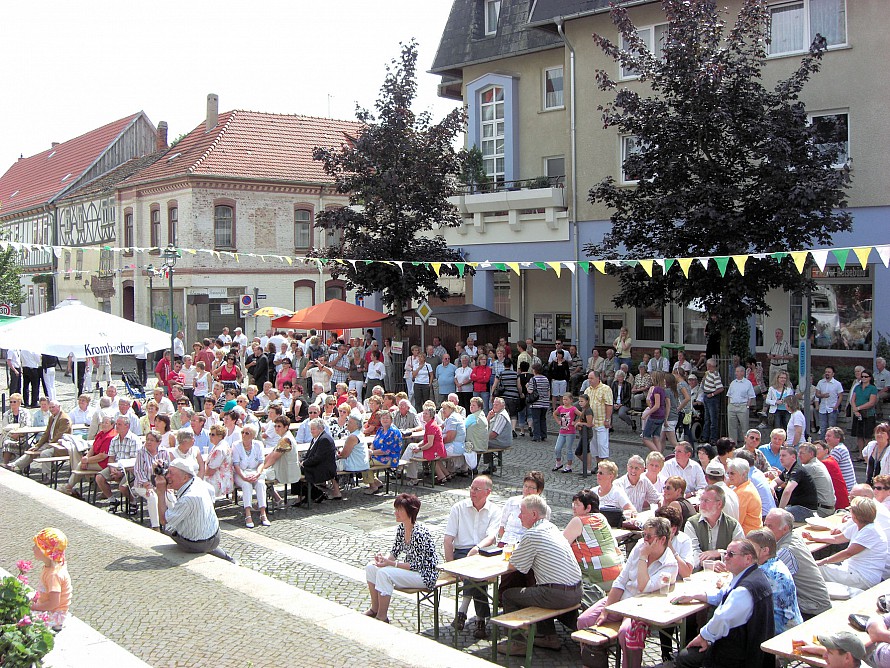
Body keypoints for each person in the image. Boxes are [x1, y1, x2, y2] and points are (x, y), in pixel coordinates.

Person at [577, 517, 678, 668]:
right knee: (584, 620)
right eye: (643, 534)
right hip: (623, 600)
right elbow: (621, 580)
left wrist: (643, 557)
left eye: (649, 536)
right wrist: (607, 609)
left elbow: (644, 586)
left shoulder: (669, 565)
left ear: (662, 539)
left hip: (641, 607)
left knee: (626, 632)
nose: (644, 539)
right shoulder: (639, 546)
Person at [498, 495, 583, 655]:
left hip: (558, 595)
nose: (518, 516)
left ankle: (518, 643)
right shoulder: (552, 528)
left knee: (509, 595)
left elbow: (513, 566)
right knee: (537, 588)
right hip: (577, 592)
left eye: (522, 512)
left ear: (534, 515)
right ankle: (548, 636)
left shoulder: (532, 534)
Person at [673, 539, 774, 668]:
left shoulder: (744, 589)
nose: (725, 557)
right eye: (725, 553)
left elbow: (722, 619)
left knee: (685, 657)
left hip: (741, 655)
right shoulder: (752, 575)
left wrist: (703, 636)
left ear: (748, 558)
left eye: (731, 554)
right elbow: (722, 595)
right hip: (751, 646)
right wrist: (694, 596)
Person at [365, 493, 439, 623]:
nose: (396, 513)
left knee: (384, 574)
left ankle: (382, 616)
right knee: (371, 567)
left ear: (410, 512)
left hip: (425, 575)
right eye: (396, 510)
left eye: (399, 510)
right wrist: (383, 560)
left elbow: (416, 565)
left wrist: (391, 564)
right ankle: (375, 608)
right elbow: (395, 552)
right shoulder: (401, 528)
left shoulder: (419, 533)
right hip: (411, 570)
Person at [444, 476, 501, 639]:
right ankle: (480, 620)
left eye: (477, 489)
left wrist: (477, 548)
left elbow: (491, 537)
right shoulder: (459, 508)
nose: (472, 492)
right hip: (462, 552)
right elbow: (448, 539)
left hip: (484, 552)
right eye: (471, 488)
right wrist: (451, 566)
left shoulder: (494, 510)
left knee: (477, 572)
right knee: (476, 576)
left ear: (488, 492)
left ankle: (463, 611)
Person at [154, 457, 235, 562]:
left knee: (168, 528)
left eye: (171, 473)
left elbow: (164, 520)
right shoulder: (197, 481)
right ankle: (227, 557)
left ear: (185, 477)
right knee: (199, 529)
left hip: (198, 544)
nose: (167, 476)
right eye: (167, 472)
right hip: (215, 536)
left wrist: (160, 492)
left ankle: (208, 550)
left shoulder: (188, 498)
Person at [763, 508, 831, 619]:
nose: (765, 530)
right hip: (813, 601)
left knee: (763, 604)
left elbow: (765, 578)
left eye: (770, 526)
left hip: (813, 607)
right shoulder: (793, 537)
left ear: (785, 529)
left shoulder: (787, 550)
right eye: (764, 525)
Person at [564, 488, 624, 605]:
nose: (573, 507)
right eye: (573, 503)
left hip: (596, 581)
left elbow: (560, 546)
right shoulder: (602, 518)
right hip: (618, 576)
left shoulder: (578, 521)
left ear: (588, 508)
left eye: (577, 504)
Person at [814, 496, 887, 590]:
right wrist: (814, 537)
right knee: (819, 567)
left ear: (855, 516)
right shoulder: (859, 526)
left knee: (815, 569)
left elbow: (848, 553)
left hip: (863, 578)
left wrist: (822, 561)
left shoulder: (870, 531)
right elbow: (836, 539)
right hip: (854, 572)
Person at [746, 528, 802, 635]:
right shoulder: (778, 563)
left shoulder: (763, 573)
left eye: (750, 548)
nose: (746, 552)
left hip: (779, 632)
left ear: (765, 550)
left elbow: (738, 597)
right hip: (794, 625)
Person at [684, 485, 744, 569]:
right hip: (699, 574)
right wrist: (711, 565)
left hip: (726, 572)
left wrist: (719, 553)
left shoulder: (733, 525)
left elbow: (740, 553)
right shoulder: (691, 523)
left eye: (706, 501)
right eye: (701, 500)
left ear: (719, 504)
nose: (702, 504)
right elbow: (693, 553)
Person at [9, 399, 71, 476]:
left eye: (53, 407)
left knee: (45, 453)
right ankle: (14, 466)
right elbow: (46, 433)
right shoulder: (52, 417)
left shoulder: (64, 419)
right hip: (50, 443)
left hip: (60, 445)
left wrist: (49, 445)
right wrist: (38, 445)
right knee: (32, 450)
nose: (51, 409)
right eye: (50, 407)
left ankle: (47, 476)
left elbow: (59, 436)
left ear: (59, 407)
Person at [28, 527, 72, 629]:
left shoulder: (54, 575)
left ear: (46, 552)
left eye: (36, 546)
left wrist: (34, 607)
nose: (33, 548)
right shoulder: (50, 568)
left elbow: (54, 603)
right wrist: (35, 599)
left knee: (21, 619)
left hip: (54, 615)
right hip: (49, 609)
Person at [232, 424, 270, 527]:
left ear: (253, 436)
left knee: (261, 484)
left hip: (255, 472)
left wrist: (257, 474)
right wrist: (243, 476)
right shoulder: (236, 445)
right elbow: (236, 464)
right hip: (241, 473)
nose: (243, 435)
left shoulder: (258, 445)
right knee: (246, 485)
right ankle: (248, 514)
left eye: (247, 433)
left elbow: (261, 462)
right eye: (242, 432)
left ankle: (263, 513)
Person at [295, 418, 337, 505]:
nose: (311, 431)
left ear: (320, 429)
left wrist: (304, 463)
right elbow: (310, 455)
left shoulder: (324, 439)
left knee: (297, 472)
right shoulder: (316, 438)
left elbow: (317, 458)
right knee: (295, 470)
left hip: (324, 468)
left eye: (313, 429)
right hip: (317, 465)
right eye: (311, 429)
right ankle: (312, 494)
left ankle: (308, 495)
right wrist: (302, 462)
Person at [775, 445, 820, 521]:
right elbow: (776, 481)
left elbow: (787, 491)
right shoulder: (787, 470)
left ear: (793, 457)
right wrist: (771, 488)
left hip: (806, 511)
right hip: (796, 507)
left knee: (775, 516)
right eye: (780, 455)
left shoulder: (797, 470)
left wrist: (780, 510)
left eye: (784, 455)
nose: (781, 458)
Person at [583, 370, 613, 462]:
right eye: (589, 378)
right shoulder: (588, 390)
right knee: (594, 446)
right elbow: (584, 406)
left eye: (591, 378)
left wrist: (607, 419)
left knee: (602, 445)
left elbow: (609, 405)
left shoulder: (606, 389)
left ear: (598, 378)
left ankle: (605, 466)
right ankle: (598, 465)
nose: (590, 380)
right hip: (591, 422)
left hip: (601, 422)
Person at [726, 458, 762, 534]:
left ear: (744, 474)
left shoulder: (744, 493)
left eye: (732, 473)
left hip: (748, 536)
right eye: (728, 473)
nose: (729, 476)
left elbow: (735, 522)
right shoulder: (746, 486)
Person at [799, 631, 868, 668]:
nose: (824, 656)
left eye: (829, 652)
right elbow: (836, 653)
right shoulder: (855, 661)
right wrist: (814, 648)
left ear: (847, 657)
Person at [726, 366, 756, 445]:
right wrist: (729, 405)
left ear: (743, 372)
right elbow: (729, 395)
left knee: (744, 427)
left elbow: (751, 396)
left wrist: (747, 406)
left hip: (743, 406)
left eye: (739, 371)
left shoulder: (747, 383)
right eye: (736, 371)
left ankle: (746, 444)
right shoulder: (733, 383)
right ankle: (733, 445)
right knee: (732, 427)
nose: (737, 373)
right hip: (732, 406)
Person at [1, 393, 32, 466]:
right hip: (11, 436)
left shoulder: (25, 412)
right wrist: (13, 435)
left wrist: (19, 433)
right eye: (11, 402)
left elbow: (28, 425)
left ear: (19, 402)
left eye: (14, 402)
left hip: (24, 436)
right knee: (6, 442)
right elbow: (5, 428)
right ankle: (6, 465)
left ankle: (25, 466)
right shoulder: (6, 414)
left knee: (29, 443)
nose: (12, 404)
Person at [203, 424, 233, 498]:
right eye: (209, 434)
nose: (210, 436)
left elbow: (210, 471)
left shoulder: (219, 449)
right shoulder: (220, 444)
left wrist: (198, 475)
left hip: (219, 480)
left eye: (213, 434)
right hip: (220, 476)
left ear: (220, 436)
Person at [816, 365, 844, 440]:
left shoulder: (837, 384)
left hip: (832, 408)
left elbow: (840, 396)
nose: (827, 373)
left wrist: (836, 406)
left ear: (833, 374)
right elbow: (817, 394)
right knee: (822, 428)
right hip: (822, 408)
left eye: (829, 372)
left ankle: (831, 444)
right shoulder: (820, 382)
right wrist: (822, 395)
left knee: (832, 429)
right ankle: (822, 444)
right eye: (826, 372)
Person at [553, 392, 579, 472]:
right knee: (557, 448)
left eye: (566, 399)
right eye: (564, 399)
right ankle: (558, 463)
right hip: (562, 431)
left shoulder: (573, 409)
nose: (565, 401)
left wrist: (576, 422)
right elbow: (555, 414)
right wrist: (558, 421)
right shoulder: (560, 408)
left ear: (571, 400)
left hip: (570, 432)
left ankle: (569, 465)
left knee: (569, 449)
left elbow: (582, 415)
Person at [701, 358, 724, 444]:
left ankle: (713, 438)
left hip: (712, 397)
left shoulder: (715, 375)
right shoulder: (708, 374)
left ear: (710, 366)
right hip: (706, 395)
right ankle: (705, 436)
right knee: (707, 418)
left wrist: (712, 394)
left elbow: (720, 388)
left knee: (713, 419)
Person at [864, 422, 890, 486]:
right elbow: (864, 454)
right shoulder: (871, 445)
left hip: (884, 486)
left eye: (882, 433)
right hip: (869, 483)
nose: (879, 435)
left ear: (888, 435)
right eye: (877, 433)